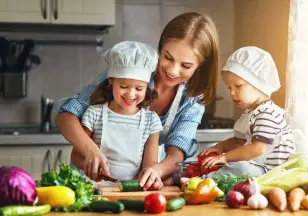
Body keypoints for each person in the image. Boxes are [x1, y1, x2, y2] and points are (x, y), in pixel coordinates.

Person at [55, 12, 220, 190]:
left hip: (134, 184)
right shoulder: (129, 70)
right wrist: (91, 151)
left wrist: (155, 171)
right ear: (161, 45)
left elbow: (177, 151)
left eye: (186, 66)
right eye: (167, 57)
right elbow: (66, 116)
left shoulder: (192, 98)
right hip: (89, 183)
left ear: (201, 64)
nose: (172, 70)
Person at [71, 41, 163, 187]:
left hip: (130, 190)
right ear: (110, 82)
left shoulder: (151, 121)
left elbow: (150, 165)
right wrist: (90, 168)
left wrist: (150, 177)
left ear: (147, 88)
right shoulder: (95, 114)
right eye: (124, 86)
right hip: (96, 189)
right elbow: (76, 156)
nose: (131, 94)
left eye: (139, 88)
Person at [200, 46, 296, 177]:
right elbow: (238, 142)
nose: (232, 93)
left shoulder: (267, 114)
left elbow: (257, 149)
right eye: (229, 87)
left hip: (271, 173)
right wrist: (220, 147)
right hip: (258, 167)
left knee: (239, 167)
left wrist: (225, 157)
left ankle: (204, 180)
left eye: (238, 86)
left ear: (258, 83)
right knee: (234, 166)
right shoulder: (252, 113)